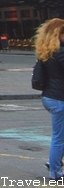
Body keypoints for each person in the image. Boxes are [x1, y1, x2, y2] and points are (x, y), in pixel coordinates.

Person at [36, 18, 64, 180]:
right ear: (58, 34)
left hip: (50, 96)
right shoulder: (60, 52)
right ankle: (55, 171)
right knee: (59, 137)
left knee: (60, 136)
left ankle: (53, 161)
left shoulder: (47, 51)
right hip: (59, 98)